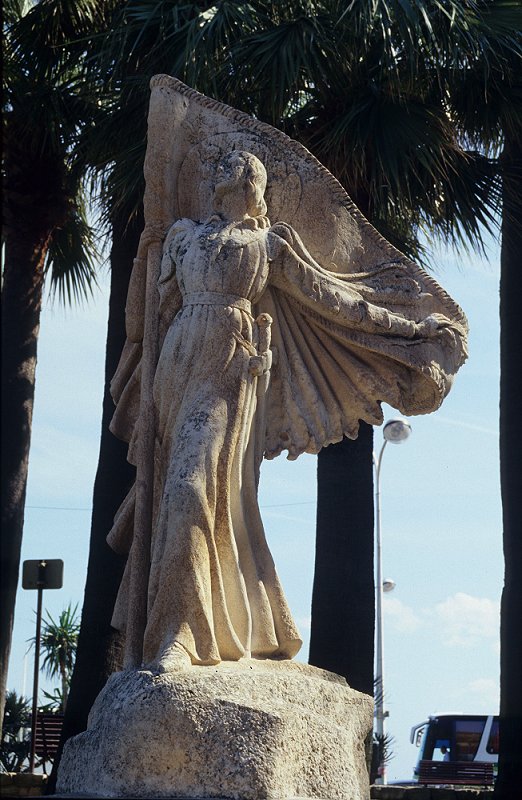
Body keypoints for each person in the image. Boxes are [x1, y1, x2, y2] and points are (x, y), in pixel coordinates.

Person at [107, 150, 467, 672]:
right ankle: (171, 627)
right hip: (176, 369)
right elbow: (145, 321)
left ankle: (181, 636)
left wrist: (408, 331)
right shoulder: (182, 237)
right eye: (221, 167)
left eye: (237, 168)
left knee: (192, 490)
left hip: (228, 368)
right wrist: (146, 257)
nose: (228, 173)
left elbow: (334, 299)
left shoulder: (269, 245)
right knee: (170, 499)